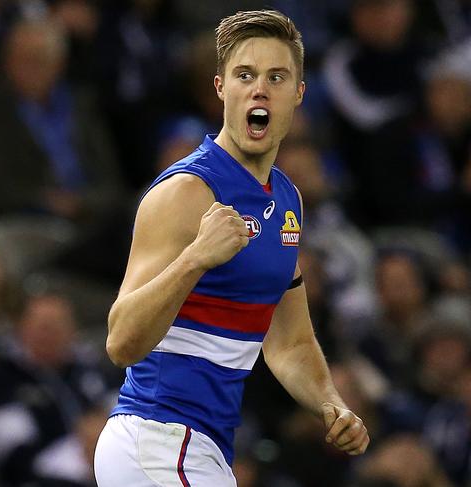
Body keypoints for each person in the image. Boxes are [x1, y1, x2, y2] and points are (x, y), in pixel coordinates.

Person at [94, 9, 369, 487]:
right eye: (245, 75)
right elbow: (121, 342)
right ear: (222, 88)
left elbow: (289, 340)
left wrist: (331, 403)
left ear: (298, 94)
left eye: (276, 76)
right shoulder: (186, 191)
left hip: (204, 449)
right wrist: (196, 257)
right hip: (157, 441)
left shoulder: (287, 200)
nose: (259, 88)